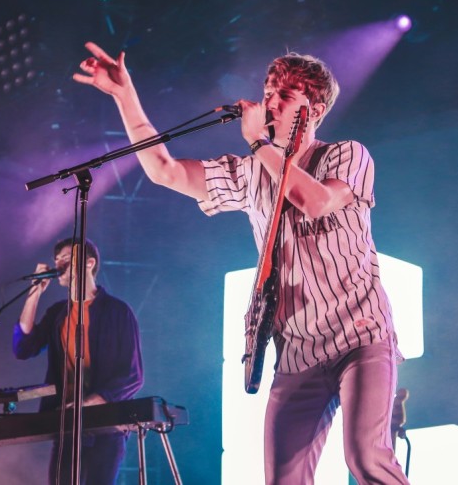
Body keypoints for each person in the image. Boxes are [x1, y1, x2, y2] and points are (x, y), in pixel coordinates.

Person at [73, 42, 409, 484]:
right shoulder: (251, 173)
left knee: (365, 458)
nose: (270, 102)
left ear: (315, 109)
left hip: (360, 337)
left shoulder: (347, 155)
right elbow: (165, 171)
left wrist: (258, 142)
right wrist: (125, 96)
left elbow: (314, 201)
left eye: (284, 96)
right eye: (268, 92)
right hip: (298, 352)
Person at [13, 237, 144, 485]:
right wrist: (35, 292)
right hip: (66, 425)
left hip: (106, 426)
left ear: (89, 263)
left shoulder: (117, 311)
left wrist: (88, 403)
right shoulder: (58, 313)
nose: (58, 265)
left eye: (66, 258)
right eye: (56, 260)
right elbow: (23, 347)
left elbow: (133, 376)